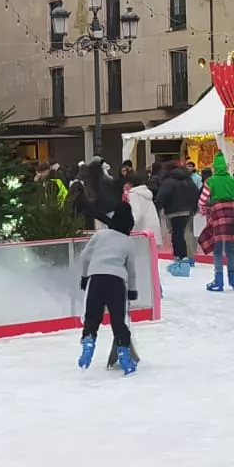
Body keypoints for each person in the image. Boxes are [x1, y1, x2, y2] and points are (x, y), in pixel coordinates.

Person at [75, 201, 141, 376]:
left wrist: (84, 276)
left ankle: (88, 346)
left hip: (96, 279)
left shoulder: (100, 235)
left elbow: (84, 256)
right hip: (116, 282)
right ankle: (125, 358)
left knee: (92, 317)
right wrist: (132, 291)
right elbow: (132, 271)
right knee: (119, 321)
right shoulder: (129, 243)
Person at [196, 152, 234, 293]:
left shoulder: (210, 182)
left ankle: (218, 280)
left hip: (217, 214)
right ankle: (233, 279)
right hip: (233, 213)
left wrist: (206, 211)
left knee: (218, 248)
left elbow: (201, 201)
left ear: (214, 167)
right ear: (225, 167)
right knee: (231, 247)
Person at [153, 160, 199, 265]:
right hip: (188, 211)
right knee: (185, 234)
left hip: (174, 211)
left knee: (177, 234)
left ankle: (181, 256)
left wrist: (157, 209)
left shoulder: (168, 182)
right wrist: (194, 208)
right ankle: (188, 256)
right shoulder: (188, 180)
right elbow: (196, 194)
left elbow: (161, 197)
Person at [123, 172, 162, 248]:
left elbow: (136, 213)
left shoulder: (134, 194)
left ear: (130, 183)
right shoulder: (146, 193)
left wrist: (128, 227)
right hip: (151, 227)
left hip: (142, 230)